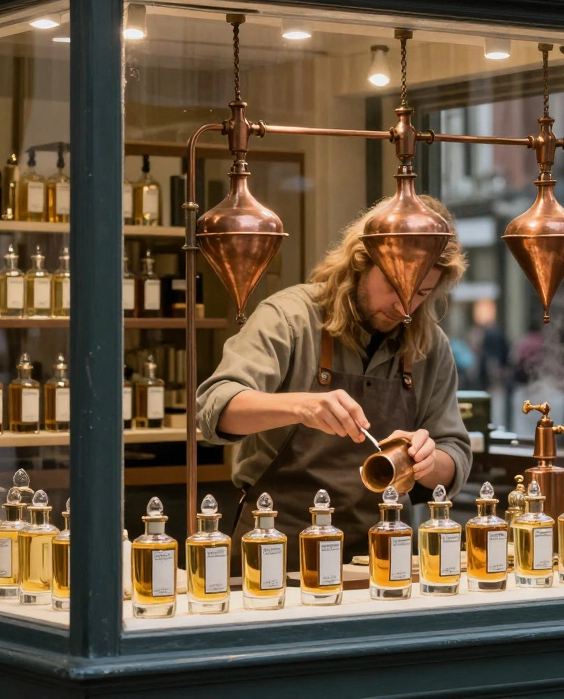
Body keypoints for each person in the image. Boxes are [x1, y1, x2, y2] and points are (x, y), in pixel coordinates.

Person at [197, 196, 471, 565]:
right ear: (361, 263)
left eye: (420, 293)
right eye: (395, 285)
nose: (404, 307)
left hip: (384, 552)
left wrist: (426, 460)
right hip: (278, 546)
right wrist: (301, 405)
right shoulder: (289, 318)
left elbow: (454, 455)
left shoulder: (429, 345)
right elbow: (216, 409)